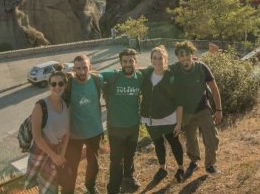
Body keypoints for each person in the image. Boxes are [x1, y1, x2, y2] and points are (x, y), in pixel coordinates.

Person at [170, 41, 222, 178]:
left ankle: (210, 165)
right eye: (181, 55)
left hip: (203, 109)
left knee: (211, 138)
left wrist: (219, 110)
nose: (184, 58)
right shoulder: (175, 68)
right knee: (191, 139)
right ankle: (194, 162)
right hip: (186, 112)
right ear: (177, 57)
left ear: (192, 54)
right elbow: (156, 69)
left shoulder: (201, 68)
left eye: (187, 54)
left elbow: (214, 89)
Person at [100, 48, 143, 194]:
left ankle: (128, 177)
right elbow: (92, 75)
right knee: (116, 161)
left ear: (135, 62)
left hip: (133, 125)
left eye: (131, 61)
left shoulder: (140, 77)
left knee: (130, 155)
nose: (128, 64)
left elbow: (155, 70)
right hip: (116, 127)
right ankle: (113, 188)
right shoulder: (113, 76)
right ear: (121, 63)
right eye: (125, 61)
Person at [140, 45, 185, 183]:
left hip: (168, 119)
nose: (157, 61)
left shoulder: (172, 76)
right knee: (158, 144)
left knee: (174, 143)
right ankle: (162, 168)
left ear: (165, 59)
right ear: (151, 59)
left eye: (160, 58)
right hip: (150, 119)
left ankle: (180, 168)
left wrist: (178, 123)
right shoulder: (147, 74)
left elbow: (179, 102)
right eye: (155, 58)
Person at [61, 55, 103, 194]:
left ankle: (90, 186)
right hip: (74, 134)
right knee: (71, 167)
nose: (82, 71)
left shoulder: (97, 80)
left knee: (94, 165)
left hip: (94, 131)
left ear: (90, 67)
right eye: (78, 68)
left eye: (85, 67)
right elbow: (54, 83)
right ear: (74, 69)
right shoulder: (68, 84)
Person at [25, 65, 70, 194]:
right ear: (49, 85)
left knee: (59, 185)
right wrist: (54, 156)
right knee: (48, 190)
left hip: (58, 151)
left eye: (60, 83)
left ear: (65, 85)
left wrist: (61, 155)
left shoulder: (65, 105)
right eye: (53, 83)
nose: (57, 87)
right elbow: (37, 137)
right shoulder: (40, 106)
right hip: (44, 153)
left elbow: (67, 132)